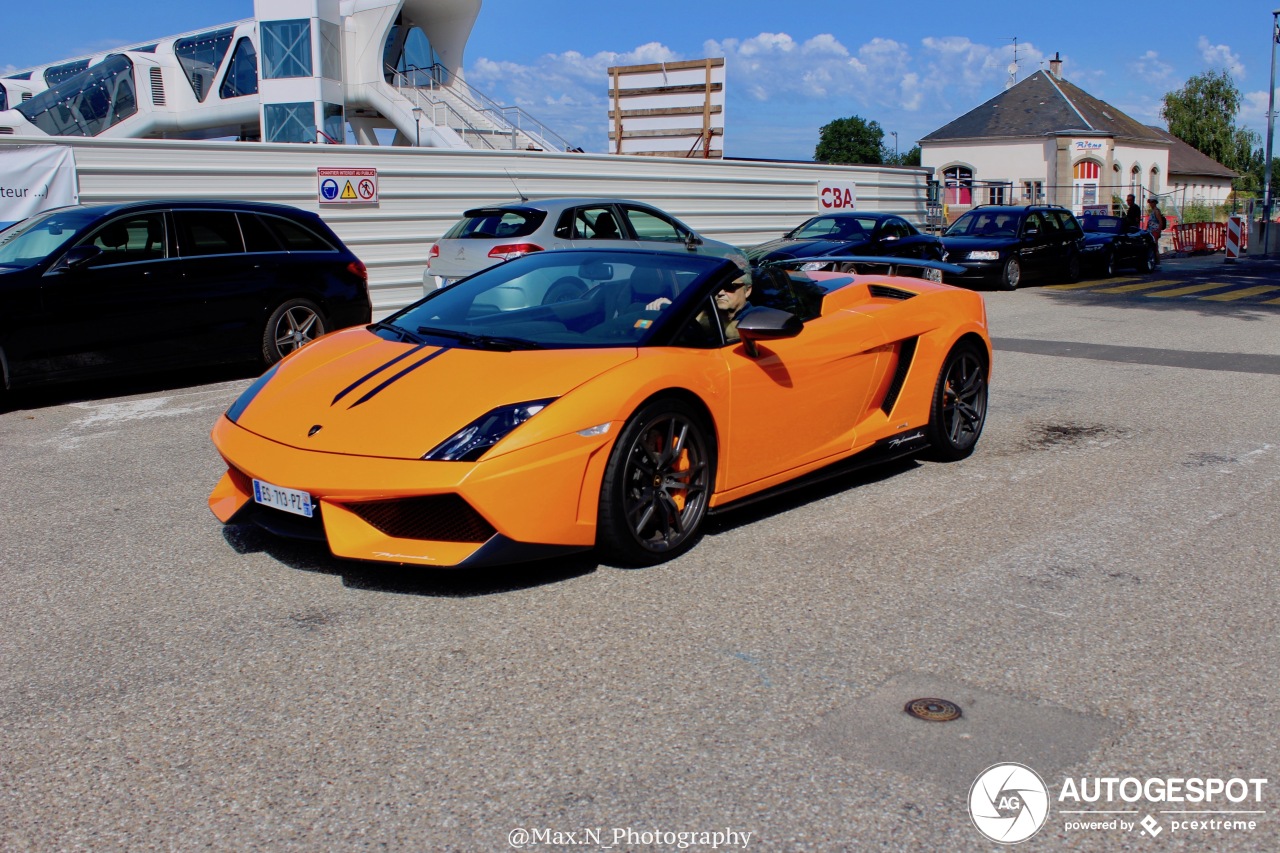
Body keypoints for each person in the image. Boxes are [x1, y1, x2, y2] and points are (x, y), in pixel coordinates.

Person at [1145, 198, 1166, 267]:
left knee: (1155, 247)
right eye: (1149, 203)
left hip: (1155, 231)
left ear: (1154, 203)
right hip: (1151, 231)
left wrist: (1159, 231)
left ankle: (1158, 262)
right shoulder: (1153, 211)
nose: (1150, 204)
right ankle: (1155, 262)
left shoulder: (1156, 211)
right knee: (1153, 246)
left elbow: (1160, 222)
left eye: (1151, 202)